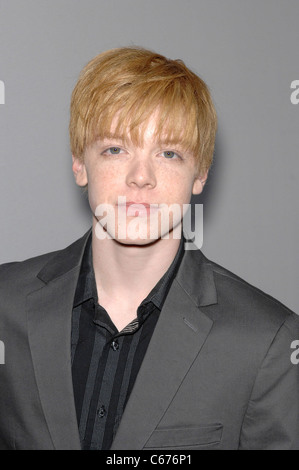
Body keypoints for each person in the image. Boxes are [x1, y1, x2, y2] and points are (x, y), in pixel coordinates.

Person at [0, 47, 298, 451]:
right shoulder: (5, 305)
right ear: (79, 164)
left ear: (201, 174)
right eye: (115, 149)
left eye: (169, 153)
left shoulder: (268, 342)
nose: (141, 177)